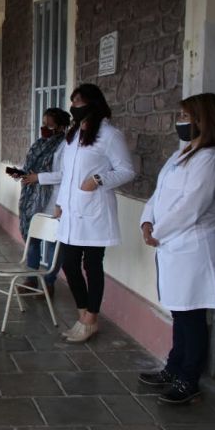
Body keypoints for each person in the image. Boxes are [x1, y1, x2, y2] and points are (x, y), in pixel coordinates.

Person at [137, 93, 215, 404]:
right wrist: (147, 221)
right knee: (180, 312)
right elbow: (159, 194)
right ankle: (173, 368)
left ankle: (188, 380)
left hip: (195, 247)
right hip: (173, 244)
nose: (180, 121)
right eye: (179, 115)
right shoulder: (182, 153)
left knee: (191, 316)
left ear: (204, 119)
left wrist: (159, 231)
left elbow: (191, 206)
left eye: (185, 116)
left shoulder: (212, 158)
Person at [54, 83, 135, 343]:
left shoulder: (110, 135)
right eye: (73, 102)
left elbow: (127, 171)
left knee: (92, 266)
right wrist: (60, 202)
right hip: (72, 210)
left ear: (93, 103)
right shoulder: (74, 134)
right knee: (68, 264)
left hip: (94, 212)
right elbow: (67, 175)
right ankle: (83, 315)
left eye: (78, 102)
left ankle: (90, 319)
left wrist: (98, 180)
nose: (73, 107)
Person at [12, 108, 70, 296]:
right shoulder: (39, 144)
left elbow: (65, 174)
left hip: (53, 200)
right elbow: (31, 168)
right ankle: (31, 279)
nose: (44, 128)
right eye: (43, 123)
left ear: (60, 126)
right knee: (32, 239)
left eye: (49, 125)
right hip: (33, 200)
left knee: (53, 243)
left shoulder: (66, 146)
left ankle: (49, 282)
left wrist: (38, 178)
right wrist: (23, 175)